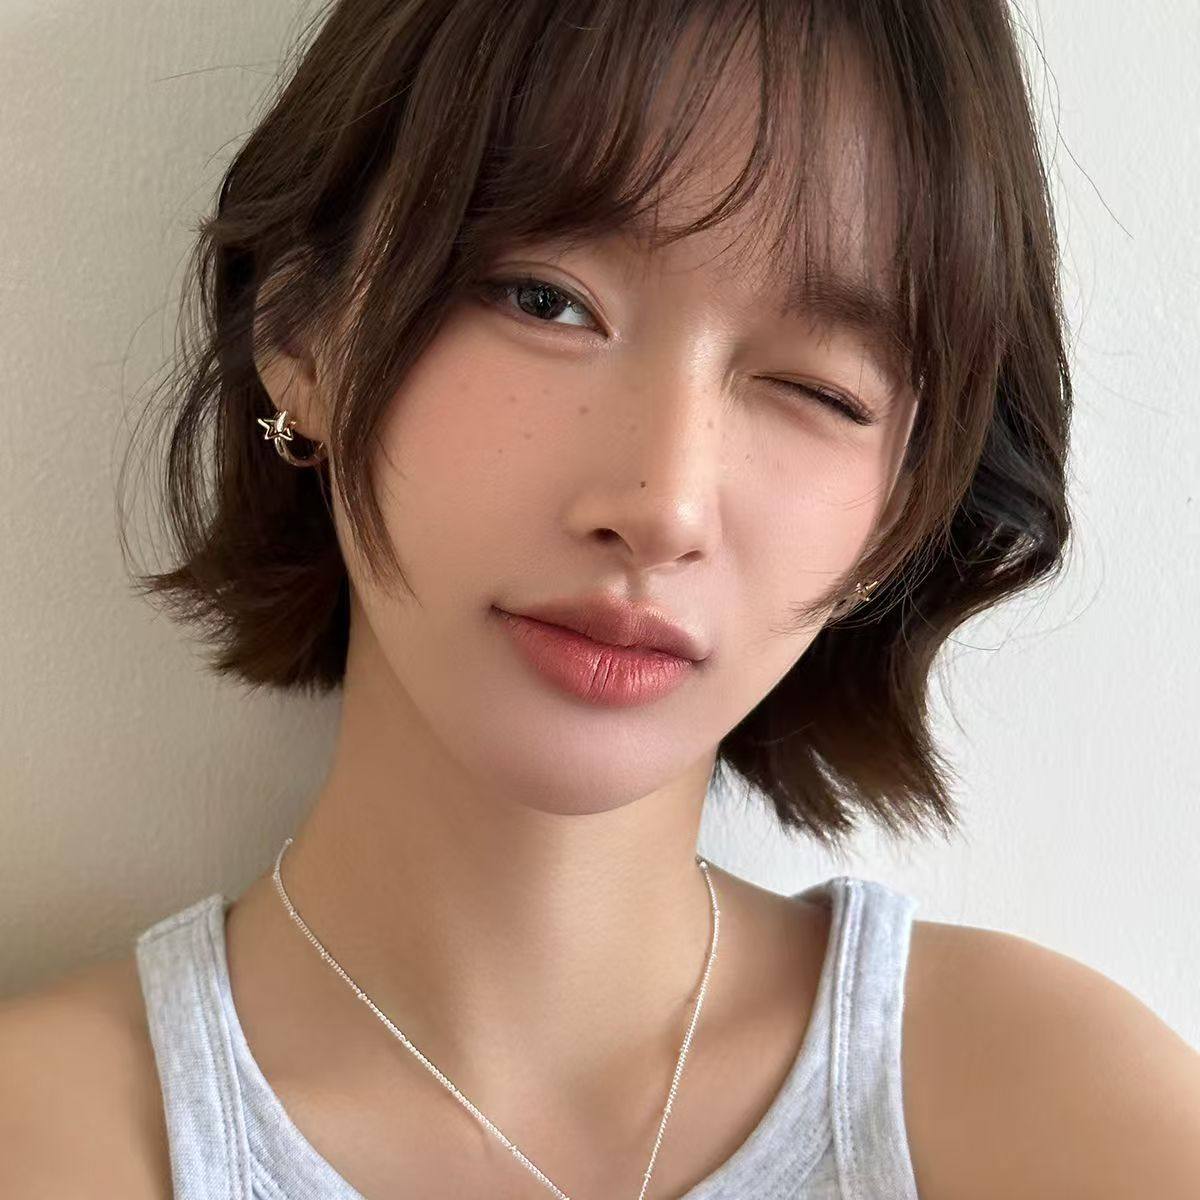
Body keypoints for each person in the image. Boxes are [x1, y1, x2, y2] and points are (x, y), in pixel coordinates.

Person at [3, 1, 1198, 1197]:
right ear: (303, 334)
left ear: (902, 515)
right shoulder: (50, 1140)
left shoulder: (1051, 1115)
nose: (664, 505)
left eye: (820, 390)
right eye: (546, 300)